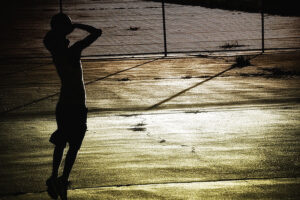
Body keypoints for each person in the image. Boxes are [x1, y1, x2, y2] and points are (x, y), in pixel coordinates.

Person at [43, 13, 102, 200]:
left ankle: (54, 177)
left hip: (64, 105)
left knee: (61, 142)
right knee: (74, 145)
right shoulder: (73, 52)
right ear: (63, 38)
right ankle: (63, 179)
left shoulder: (56, 53)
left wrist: (65, 29)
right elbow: (96, 32)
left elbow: (50, 38)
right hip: (76, 105)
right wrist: (76, 24)